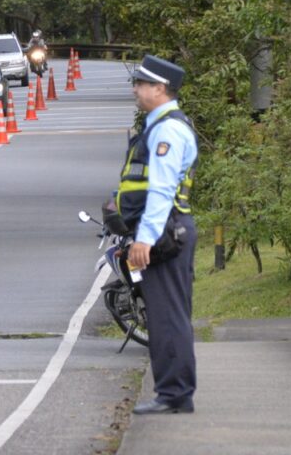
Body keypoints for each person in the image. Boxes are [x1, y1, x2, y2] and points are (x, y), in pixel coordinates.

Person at [119, 54, 199, 415]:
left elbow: (162, 191)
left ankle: (175, 394)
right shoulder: (158, 126)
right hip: (166, 231)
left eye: (141, 84)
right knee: (166, 313)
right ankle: (173, 392)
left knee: (167, 316)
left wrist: (144, 240)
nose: (136, 90)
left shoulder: (167, 130)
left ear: (159, 88)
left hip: (166, 233)